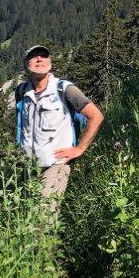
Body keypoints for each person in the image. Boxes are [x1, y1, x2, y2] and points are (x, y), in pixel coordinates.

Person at [15, 44, 104, 206]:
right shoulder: (21, 92)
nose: (39, 59)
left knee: (43, 215)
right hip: (29, 167)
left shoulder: (64, 89)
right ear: (26, 64)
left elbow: (95, 116)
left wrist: (79, 149)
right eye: (34, 56)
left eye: (44, 56)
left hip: (55, 165)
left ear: (50, 64)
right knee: (28, 214)